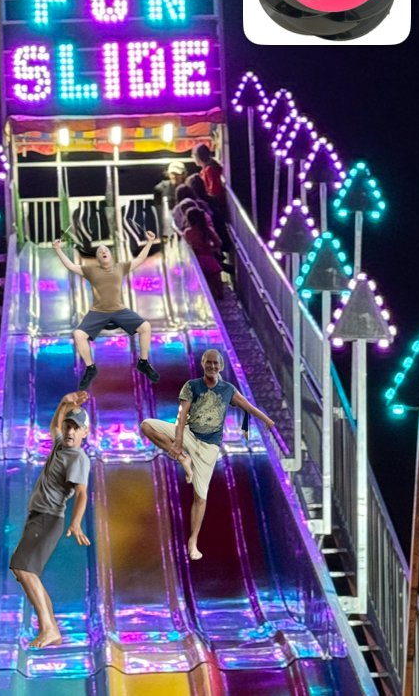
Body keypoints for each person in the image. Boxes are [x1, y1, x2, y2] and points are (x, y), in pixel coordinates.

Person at [140, 349, 274, 561]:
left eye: (215, 363)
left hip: (208, 447)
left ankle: (193, 541)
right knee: (147, 425)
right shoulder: (192, 386)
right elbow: (182, 415)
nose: (212, 366)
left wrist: (266, 420)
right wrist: (177, 443)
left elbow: (247, 407)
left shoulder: (227, 390)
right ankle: (182, 458)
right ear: (203, 363)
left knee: (200, 497)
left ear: (221, 366)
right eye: (208, 362)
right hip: (188, 434)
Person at [10, 390, 91, 648]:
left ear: (85, 432)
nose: (69, 431)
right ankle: (50, 627)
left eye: (76, 428)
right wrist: (63, 402)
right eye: (69, 426)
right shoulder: (61, 446)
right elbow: (54, 426)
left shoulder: (77, 458)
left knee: (23, 568)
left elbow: (82, 493)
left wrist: (75, 522)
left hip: (49, 518)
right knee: (26, 571)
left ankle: (49, 629)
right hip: (39, 517)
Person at [52, 234, 161, 390]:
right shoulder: (91, 270)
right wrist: (57, 249)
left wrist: (149, 241)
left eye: (106, 250)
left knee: (146, 327)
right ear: (97, 258)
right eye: (100, 251)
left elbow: (140, 259)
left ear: (111, 255)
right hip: (98, 312)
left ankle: (143, 362)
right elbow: (70, 265)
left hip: (119, 310)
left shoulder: (120, 267)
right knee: (78, 335)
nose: (103, 251)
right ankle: (90, 368)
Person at [183, 207, 225, 301]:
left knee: (201, 283)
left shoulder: (187, 232)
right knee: (216, 281)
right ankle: (219, 297)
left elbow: (186, 246)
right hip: (209, 259)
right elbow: (218, 242)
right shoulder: (207, 230)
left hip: (196, 261)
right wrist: (211, 248)